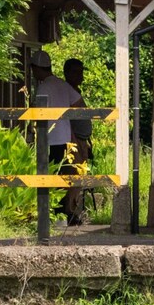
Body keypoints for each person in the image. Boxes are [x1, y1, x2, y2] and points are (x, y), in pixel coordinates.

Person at [31, 50, 85, 224]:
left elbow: (35, 112)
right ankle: (66, 214)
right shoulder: (62, 84)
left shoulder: (43, 87)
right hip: (66, 138)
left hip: (50, 139)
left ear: (36, 68)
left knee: (52, 177)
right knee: (65, 177)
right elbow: (79, 104)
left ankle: (54, 216)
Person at [64, 58, 92, 225]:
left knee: (80, 175)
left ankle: (75, 209)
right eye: (76, 72)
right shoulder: (66, 92)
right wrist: (74, 139)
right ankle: (70, 211)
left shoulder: (75, 91)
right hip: (74, 140)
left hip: (82, 139)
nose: (80, 76)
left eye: (81, 72)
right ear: (67, 73)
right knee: (74, 174)